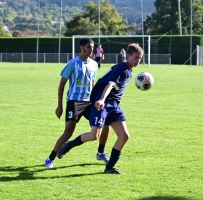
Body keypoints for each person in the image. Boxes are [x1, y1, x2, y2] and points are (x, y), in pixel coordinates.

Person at [57, 43, 144, 174]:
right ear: (129, 56)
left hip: (113, 106)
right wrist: (102, 99)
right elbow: (110, 85)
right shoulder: (123, 69)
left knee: (124, 136)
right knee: (94, 135)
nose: (138, 60)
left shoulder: (129, 70)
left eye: (140, 58)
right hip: (102, 104)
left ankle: (109, 168)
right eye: (136, 57)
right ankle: (69, 144)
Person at [44, 38, 110, 169]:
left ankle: (101, 152)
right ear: (81, 47)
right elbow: (62, 84)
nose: (91, 49)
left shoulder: (94, 64)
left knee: (105, 123)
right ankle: (51, 158)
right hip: (74, 101)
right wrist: (60, 105)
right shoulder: (73, 63)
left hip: (89, 102)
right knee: (68, 132)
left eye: (92, 47)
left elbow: (93, 83)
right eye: (88, 47)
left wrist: (97, 99)